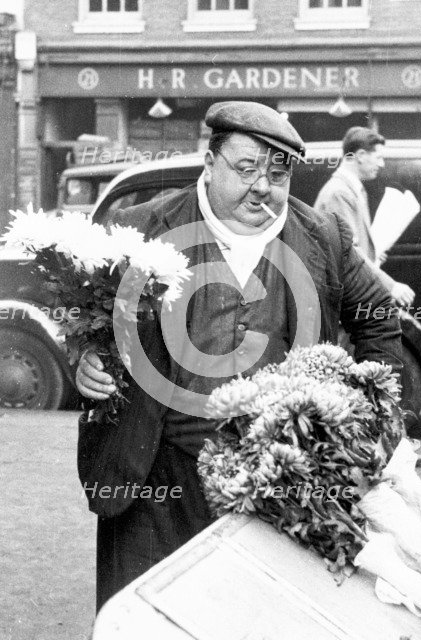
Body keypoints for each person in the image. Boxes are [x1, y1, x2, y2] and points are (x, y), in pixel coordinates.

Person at [75, 102, 402, 611]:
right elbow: (90, 315)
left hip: (272, 484)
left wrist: (365, 411)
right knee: (143, 620)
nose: (262, 187)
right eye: (246, 168)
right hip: (155, 474)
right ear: (210, 163)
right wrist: (87, 361)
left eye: (278, 173)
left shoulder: (323, 237)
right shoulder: (139, 227)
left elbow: (378, 316)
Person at [314, 127, 415, 308]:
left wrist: (372, 254)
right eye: (378, 157)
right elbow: (349, 252)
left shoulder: (350, 190)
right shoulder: (339, 193)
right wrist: (390, 286)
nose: (382, 164)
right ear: (360, 155)